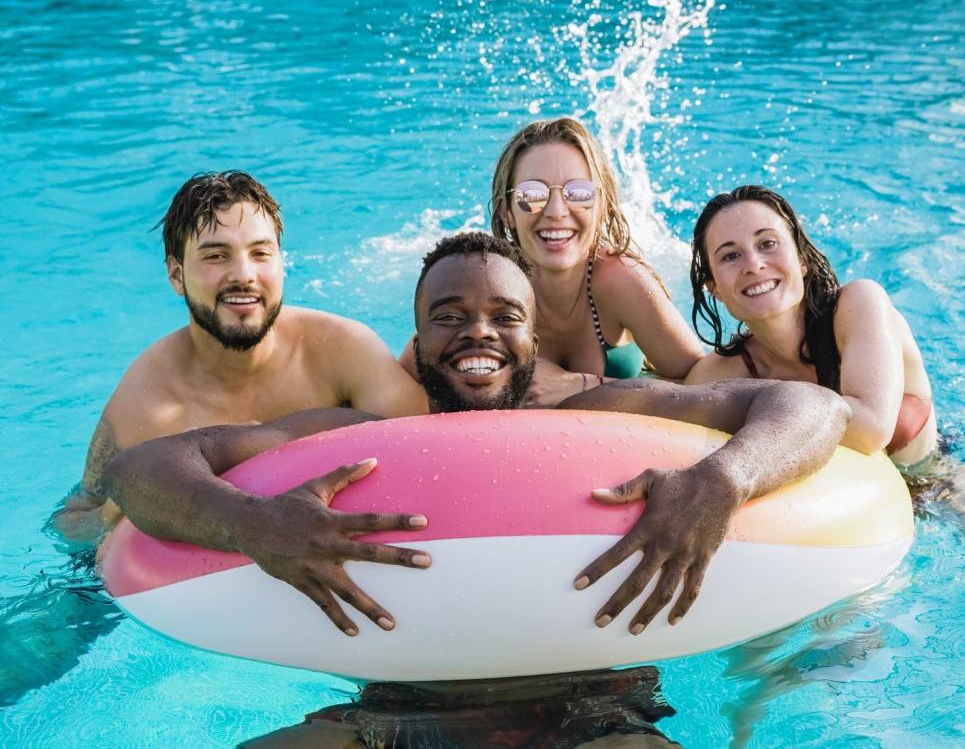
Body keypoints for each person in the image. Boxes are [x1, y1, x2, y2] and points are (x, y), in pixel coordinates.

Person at [105, 230, 850, 639]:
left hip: (597, 707)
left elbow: (809, 408)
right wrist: (251, 522)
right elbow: (146, 466)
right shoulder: (363, 438)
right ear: (419, 340)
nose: (478, 333)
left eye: (504, 315)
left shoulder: (601, 417)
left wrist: (721, 481)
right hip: (396, 714)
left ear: (534, 336)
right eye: (450, 316)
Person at [55, 170, 427, 543]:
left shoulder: (342, 350)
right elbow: (75, 523)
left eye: (260, 253)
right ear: (176, 275)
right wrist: (121, 512)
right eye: (216, 256)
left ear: (281, 263)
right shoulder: (149, 408)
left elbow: (432, 443)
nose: (244, 275)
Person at [402, 118, 703, 403]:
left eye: (579, 192)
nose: (556, 210)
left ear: (602, 206)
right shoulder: (486, 280)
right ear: (507, 210)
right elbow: (407, 377)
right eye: (531, 194)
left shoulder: (620, 280)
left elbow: (705, 385)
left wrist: (580, 386)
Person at [684, 185, 937, 468]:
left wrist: (751, 402)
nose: (754, 265)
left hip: (944, 490)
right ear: (714, 288)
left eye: (767, 244)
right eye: (730, 256)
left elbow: (871, 431)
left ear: (801, 259)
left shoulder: (859, 305)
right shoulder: (717, 375)